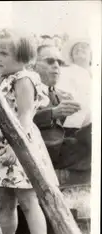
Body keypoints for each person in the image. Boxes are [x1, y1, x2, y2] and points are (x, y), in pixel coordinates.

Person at [0, 29, 58, 234]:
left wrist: (15, 147)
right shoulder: (0, 78)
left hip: (20, 146)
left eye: (4, 53)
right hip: (2, 147)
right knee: (6, 203)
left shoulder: (23, 79)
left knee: (29, 201)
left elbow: (26, 115)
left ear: (23, 58)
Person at [33, 44, 91, 176]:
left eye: (59, 62)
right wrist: (53, 113)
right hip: (43, 150)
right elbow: (19, 120)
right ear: (33, 64)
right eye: (50, 61)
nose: (56, 66)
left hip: (63, 145)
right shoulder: (28, 88)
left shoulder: (63, 94)